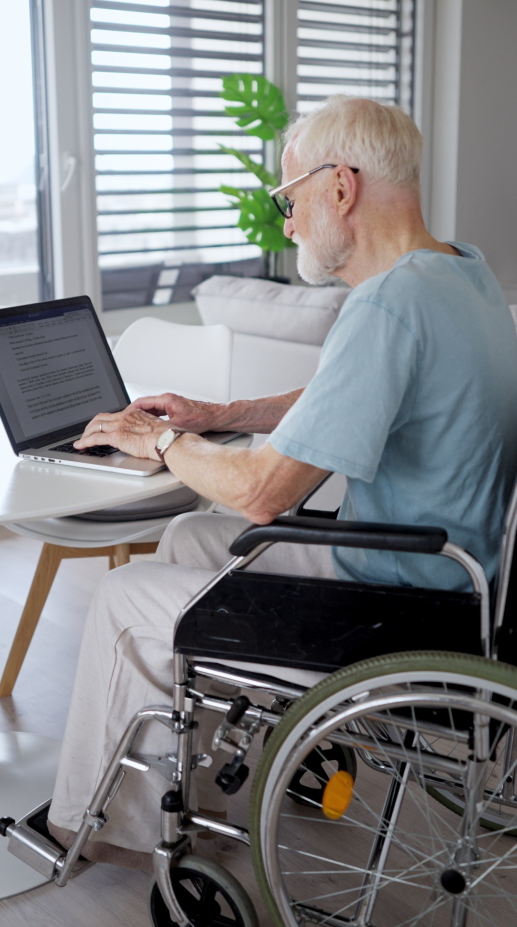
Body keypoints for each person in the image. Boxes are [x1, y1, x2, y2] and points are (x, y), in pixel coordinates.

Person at [47, 95, 517, 867]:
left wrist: (161, 438)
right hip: (452, 575)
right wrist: (219, 411)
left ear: (341, 188)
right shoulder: (461, 272)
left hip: (398, 605)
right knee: (194, 535)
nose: (287, 221)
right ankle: (175, 784)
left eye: (288, 197)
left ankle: (89, 827)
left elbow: (266, 493)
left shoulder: (391, 306)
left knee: (124, 596)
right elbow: (352, 388)